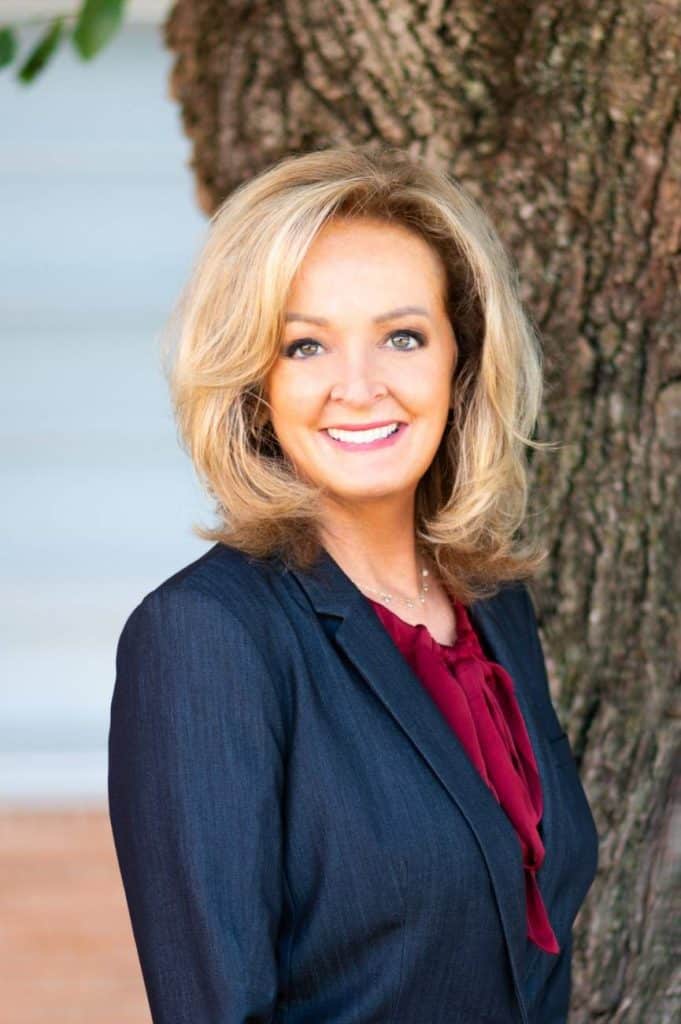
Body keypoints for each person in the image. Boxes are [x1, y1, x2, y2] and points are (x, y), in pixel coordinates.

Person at [108, 145, 599, 1023]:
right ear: (256, 384)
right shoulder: (204, 637)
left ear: (460, 358)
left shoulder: (492, 609)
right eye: (305, 345)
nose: (360, 387)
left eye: (401, 336)